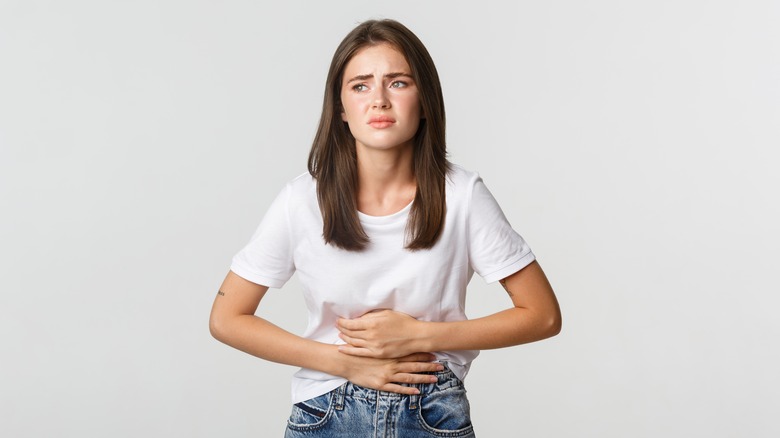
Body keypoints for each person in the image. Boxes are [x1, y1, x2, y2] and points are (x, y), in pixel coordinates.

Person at [209, 19, 561, 437]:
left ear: (425, 99)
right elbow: (226, 318)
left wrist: (419, 334)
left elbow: (542, 316)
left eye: (397, 83)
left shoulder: (462, 195)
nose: (378, 100)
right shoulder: (301, 200)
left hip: (431, 411)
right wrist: (341, 361)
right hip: (326, 413)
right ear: (340, 108)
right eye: (360, 85)